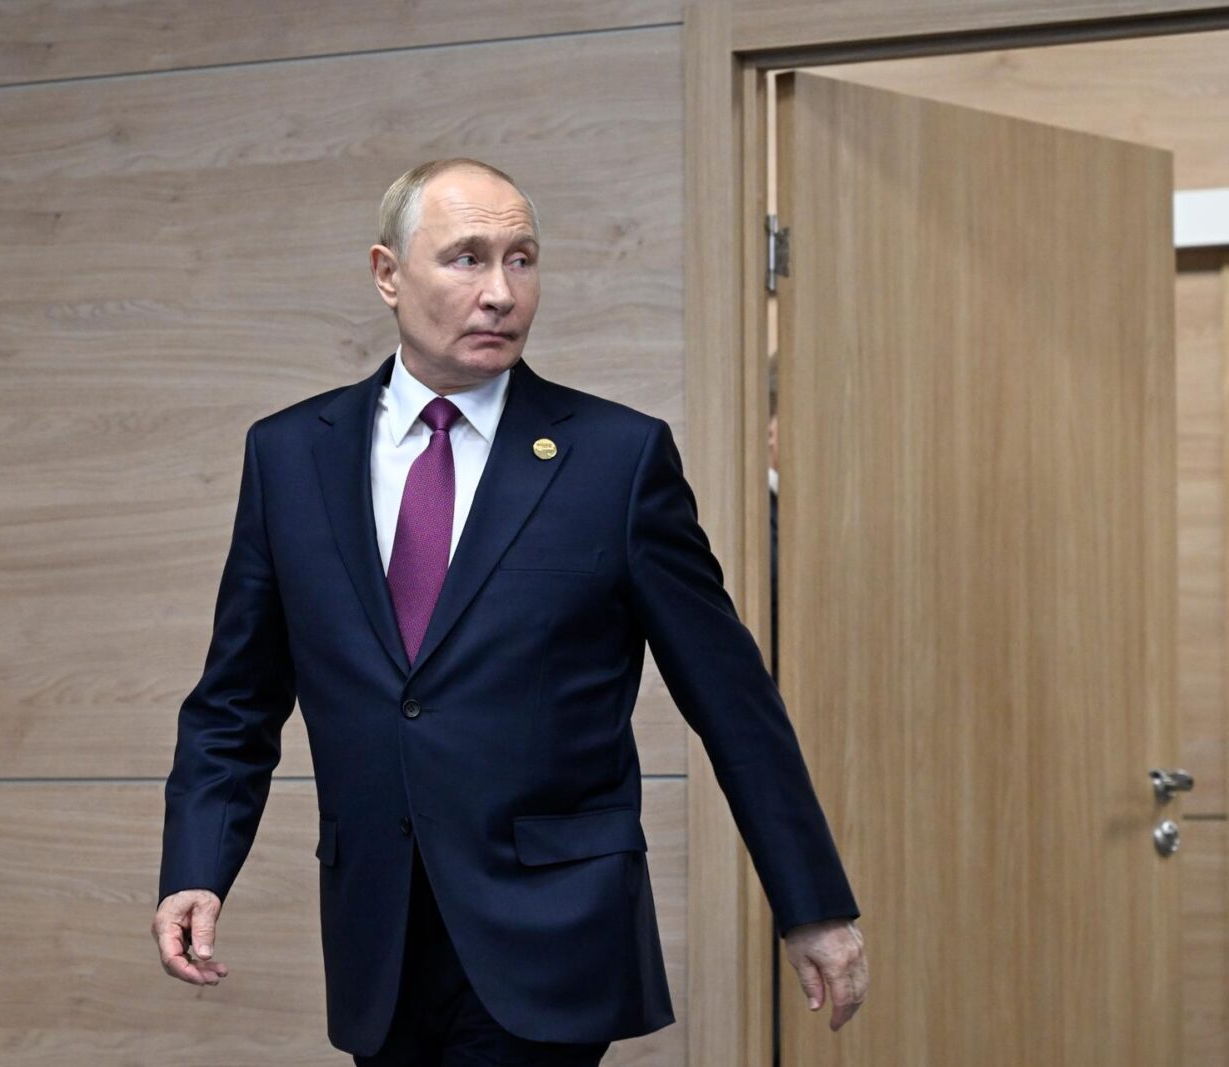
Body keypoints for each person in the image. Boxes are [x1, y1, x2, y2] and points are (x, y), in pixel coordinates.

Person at [151, 158, 868, 1064]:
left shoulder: (617, 458)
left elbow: (733, 700)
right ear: (386, 274)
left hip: (554, 927)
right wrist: (198, 865)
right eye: (467, 258)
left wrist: (812, 901)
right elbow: (236, 699)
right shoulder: (291, 455)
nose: (500, 292)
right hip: (379, 934)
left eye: (521, 260)